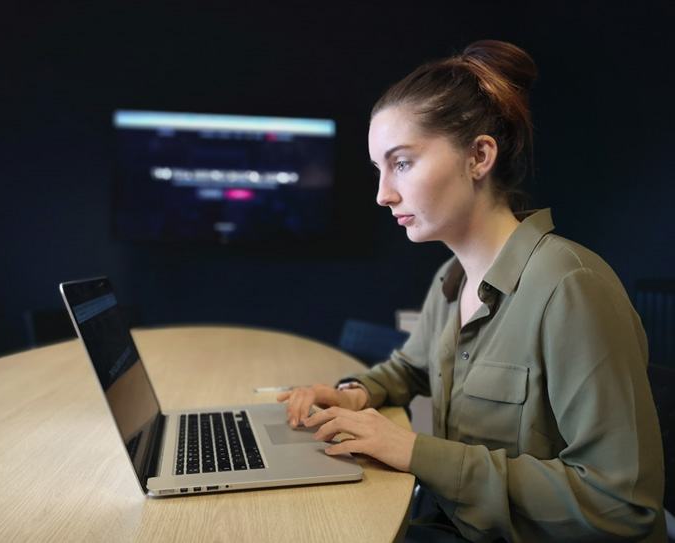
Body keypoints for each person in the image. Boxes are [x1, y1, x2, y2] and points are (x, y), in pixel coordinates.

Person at [278, 40, 665, 542]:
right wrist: (354, 394)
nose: (382, 194)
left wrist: (415, 451)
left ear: (479, 156)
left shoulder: (572, 287)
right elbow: (412, 367)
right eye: (379, 169)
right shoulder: (452, 277)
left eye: (401, 164)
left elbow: (621, 505)